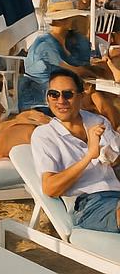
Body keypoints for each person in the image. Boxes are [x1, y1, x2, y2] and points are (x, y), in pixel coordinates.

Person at [31, 68, 120, 235]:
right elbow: (50, 188)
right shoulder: (45, 135)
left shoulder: (97, 121)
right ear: (47, 98)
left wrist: (111, 155)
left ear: (81, 96)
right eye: (54, 94)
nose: (61, 100)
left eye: (68, 94)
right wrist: (89, 156)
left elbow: (115, 158)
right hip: (88, 204)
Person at [20, 0, 120, 124]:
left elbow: (86, 64)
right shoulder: (44, 45)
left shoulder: (72, 40)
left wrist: (101, 67)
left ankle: (113, 133)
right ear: (66, 20)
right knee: (97, 96)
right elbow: (76, 70)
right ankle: (113, 132)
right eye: (73, 17)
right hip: (44, 96)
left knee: (98, 96)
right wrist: (101, 71)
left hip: (68, 89)